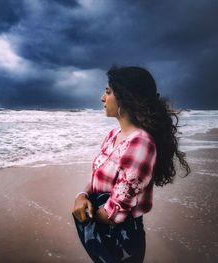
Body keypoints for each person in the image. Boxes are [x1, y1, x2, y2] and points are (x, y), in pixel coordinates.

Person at [72, 66, 190, 262]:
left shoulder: (140, 143)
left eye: (108, 92)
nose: (102, 98)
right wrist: (82, 196)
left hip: (121, 237)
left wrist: (85, 214)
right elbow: (96, 178)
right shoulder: (112, 136)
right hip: (102, 226)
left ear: (126, 98)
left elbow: (116, 212)